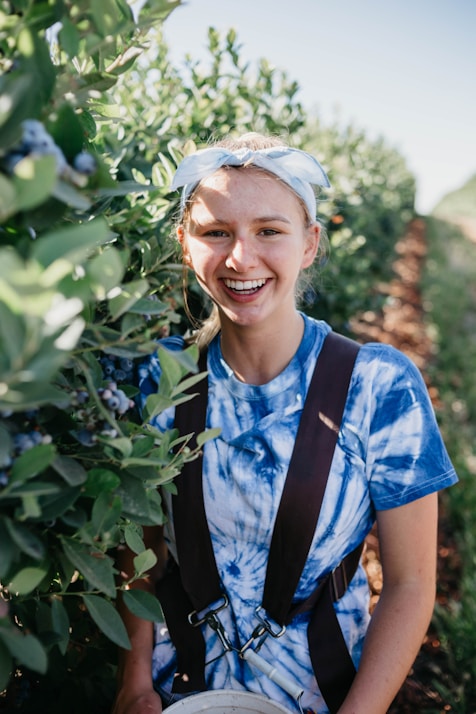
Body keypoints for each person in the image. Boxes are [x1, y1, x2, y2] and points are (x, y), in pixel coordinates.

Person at [112, 132, 458, 714]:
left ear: (309, 244)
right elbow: (141, 553)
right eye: (215, 231)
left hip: (323, 695)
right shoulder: (157, 380)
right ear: (184, 243)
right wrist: (134, 682)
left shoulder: (378, 387)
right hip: (178, 693)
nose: (240, 257)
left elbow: (410, 585)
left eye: (269, 230)